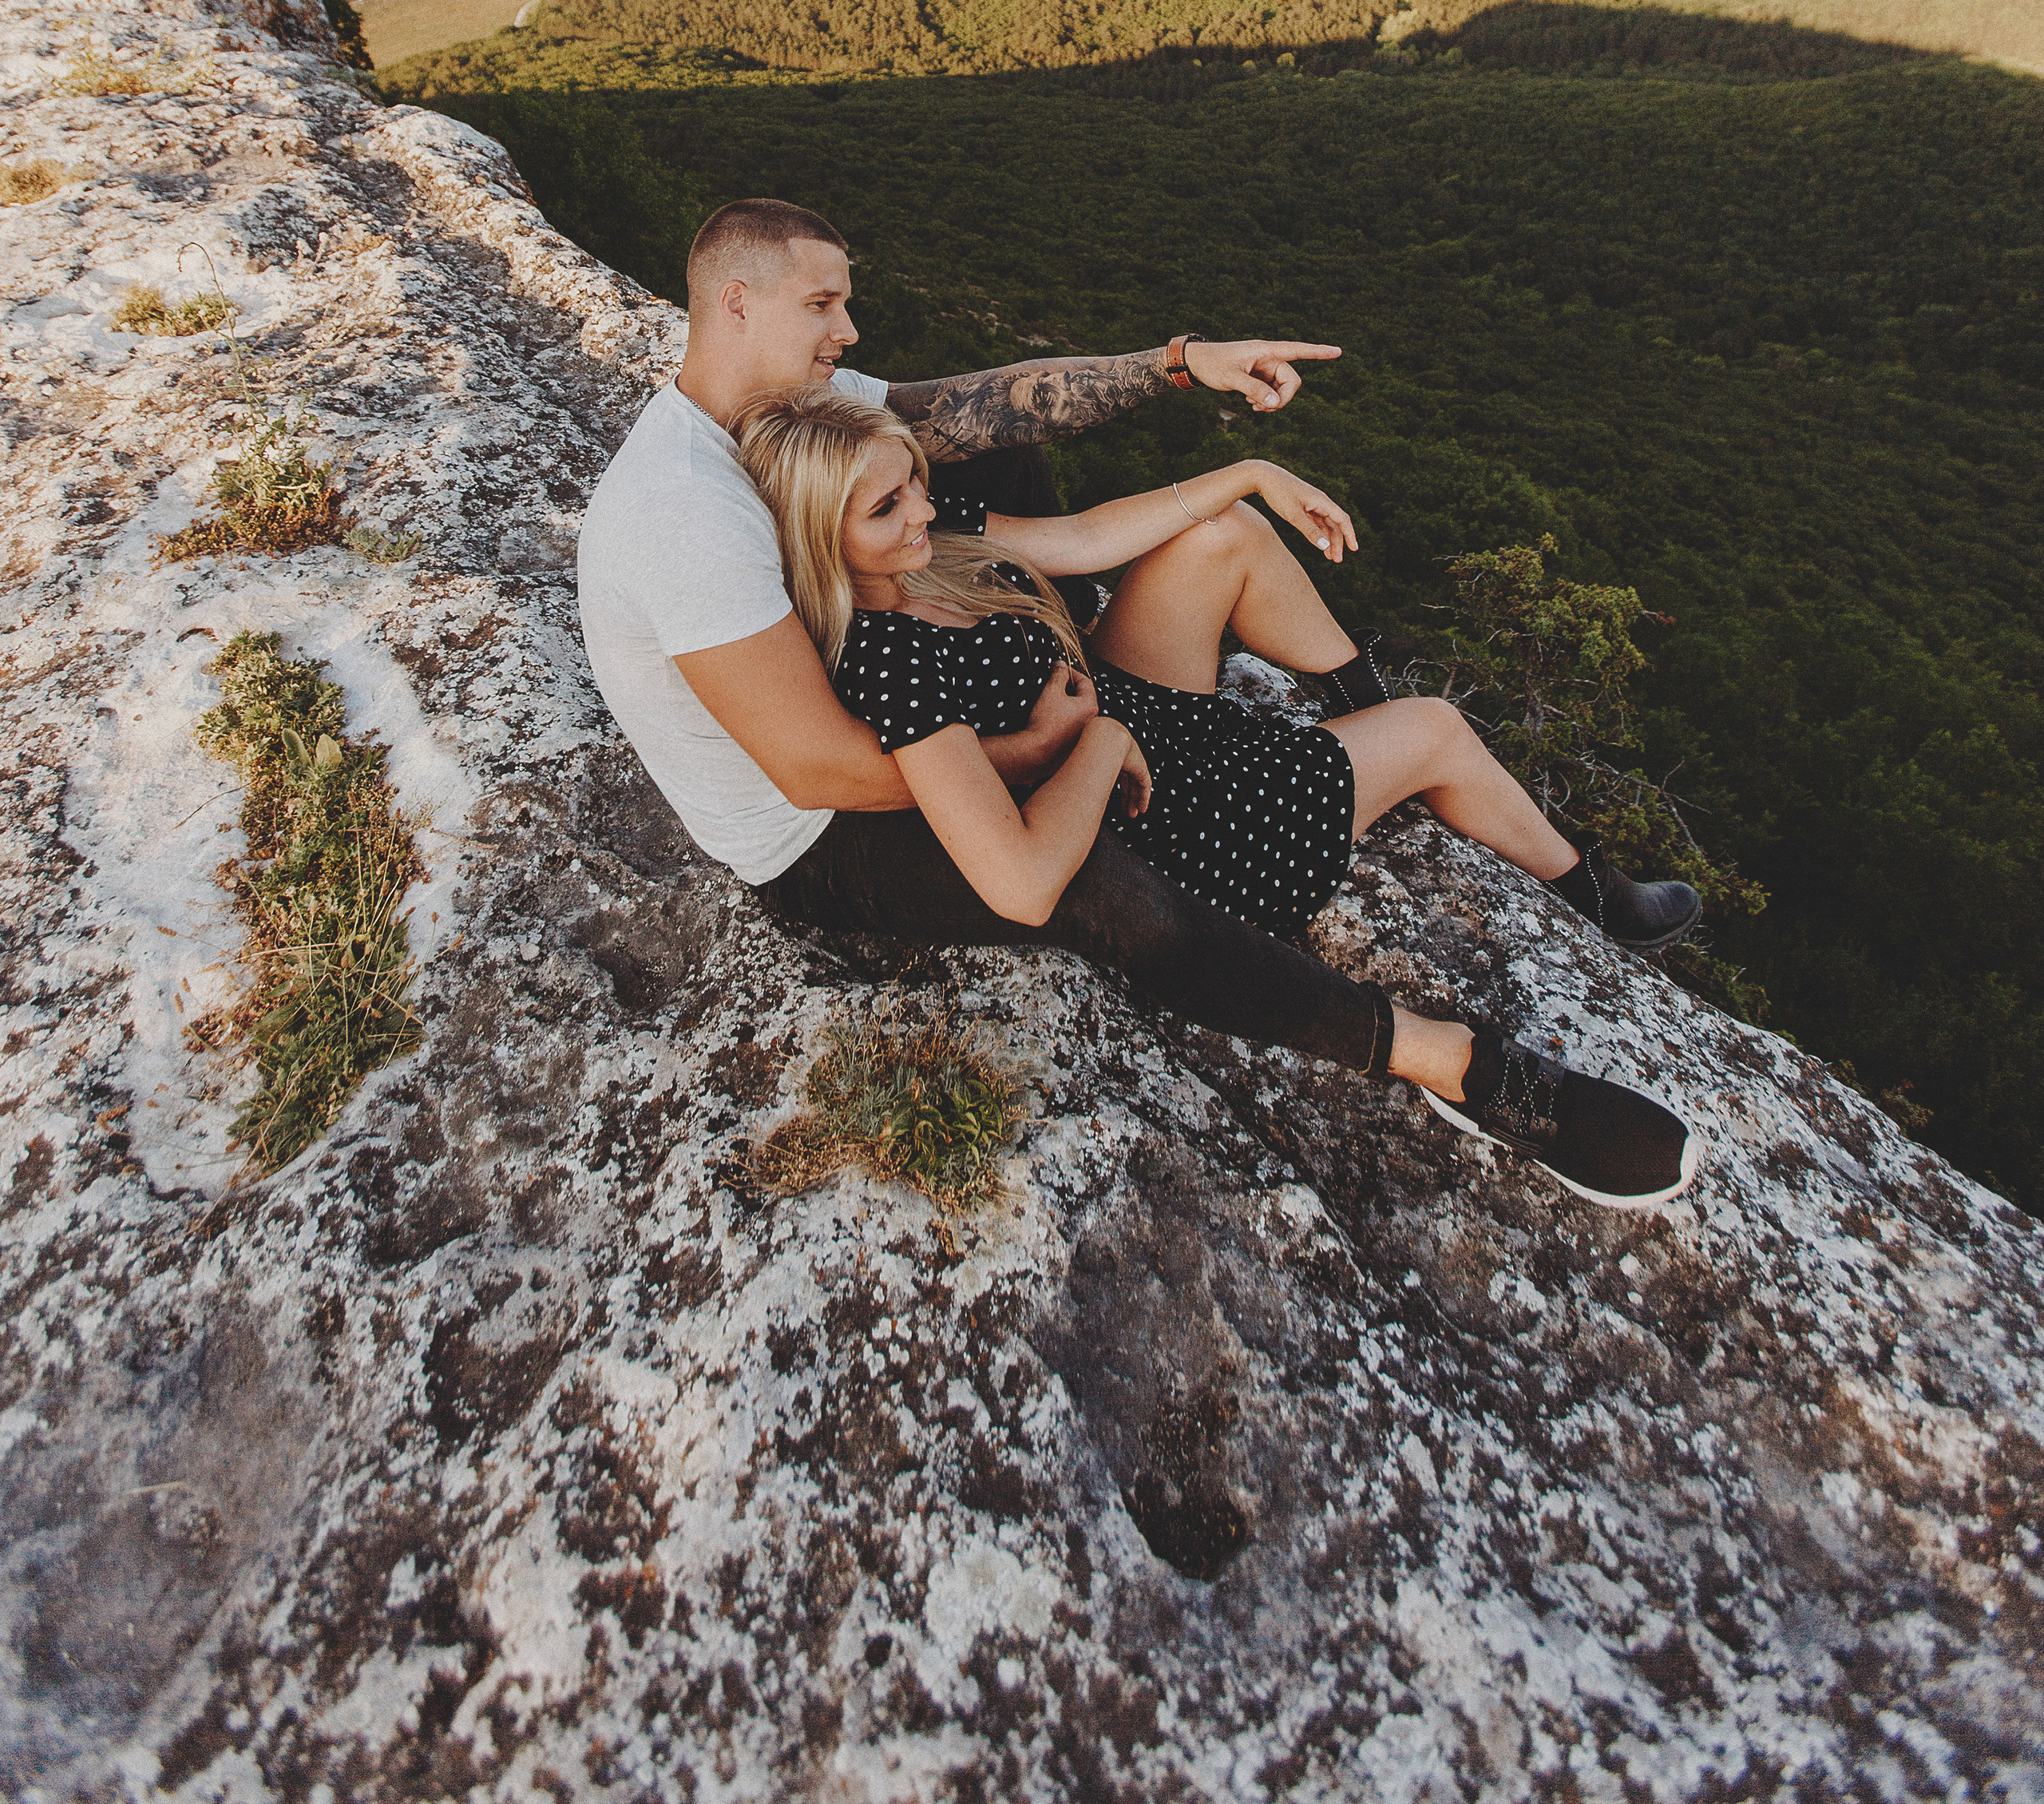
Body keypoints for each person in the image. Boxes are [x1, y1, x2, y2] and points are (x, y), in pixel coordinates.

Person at [577, 197, 1698, 1209]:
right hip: (822, 832)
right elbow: (817, 769)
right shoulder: (691, 510)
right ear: (734, 301)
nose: (850, 332)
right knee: (1094, 887)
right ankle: (1452, 1063)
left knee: (1191, 532)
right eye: (824, 303)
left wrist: (1183, 365)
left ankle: (1382, 739)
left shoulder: (813, 432)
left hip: (989, 705)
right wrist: (1063, 744)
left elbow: (991, 410)